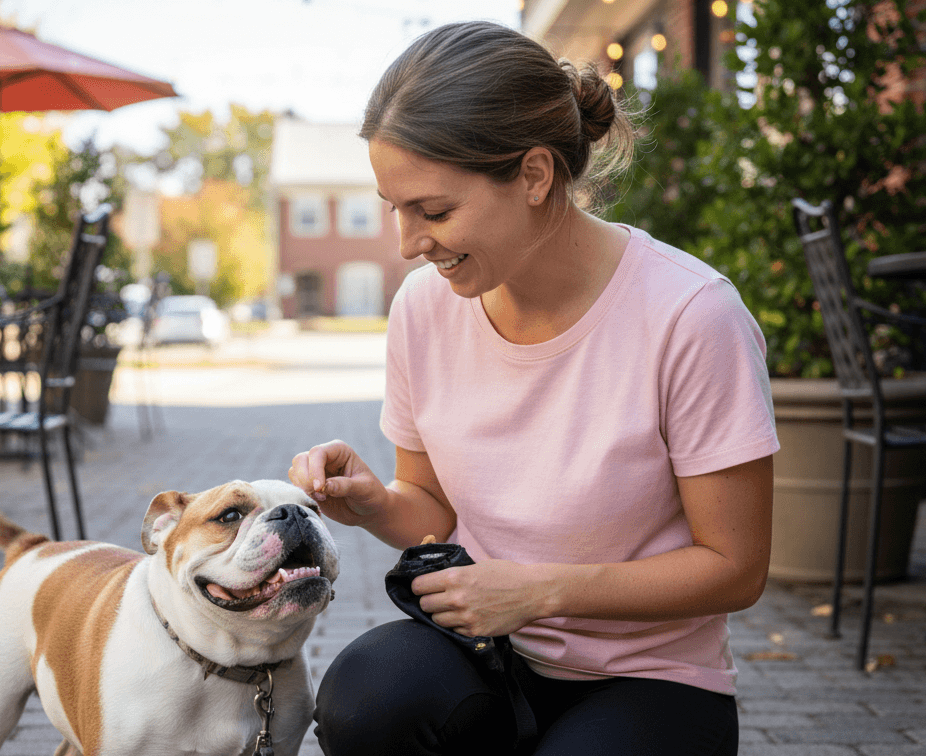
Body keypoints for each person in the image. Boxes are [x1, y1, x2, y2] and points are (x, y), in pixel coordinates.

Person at [286, 20, 779, 756]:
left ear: (535, 175)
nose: (407, 244)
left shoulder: (690, 315)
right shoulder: (424, 310)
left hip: (650, 680)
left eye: (435, 210)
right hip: (489, 656)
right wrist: (374, 505)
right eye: (395, 207)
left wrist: (543, 590)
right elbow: (434, 511)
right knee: (364, 699)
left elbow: (735, 568)